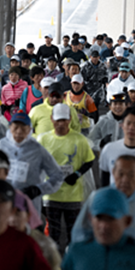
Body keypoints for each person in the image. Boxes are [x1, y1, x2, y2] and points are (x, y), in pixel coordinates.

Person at [72, 155, 135, 249]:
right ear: (113, 173)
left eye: (131, 175)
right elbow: (80, 233)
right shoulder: (97, 199)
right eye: (120, 174)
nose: (125, 180)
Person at [37, 104, 95, 252]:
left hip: (73, 195)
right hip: (51, 195)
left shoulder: (79, 140)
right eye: (58, 120)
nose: (61, 124)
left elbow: (89, 160)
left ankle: (72, 261)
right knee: (53, 233)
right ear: (52, 119)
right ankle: (54, 262)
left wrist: (77, 174)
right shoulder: (43, 140)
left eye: (64, 120)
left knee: (73, 234)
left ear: (69, 119)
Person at [0, 111, 63, 214]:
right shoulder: (0, 146)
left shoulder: (37, 150)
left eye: (23, 128)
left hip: (29, 207)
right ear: (10, 127)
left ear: (30, 130)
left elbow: (57, 175)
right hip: (4, 203)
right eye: (15, 127)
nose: (19, 132)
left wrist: (39, 189)